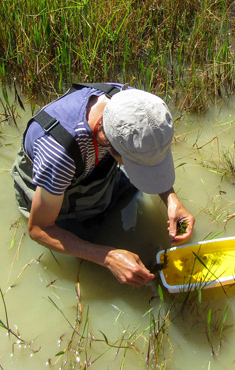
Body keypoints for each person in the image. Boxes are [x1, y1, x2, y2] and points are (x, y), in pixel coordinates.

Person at [11, 83, 194, 287]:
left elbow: (149, 154)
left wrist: (171, 199)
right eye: (134, 162)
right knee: (86, 243)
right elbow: (39, 229)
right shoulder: (59, 155)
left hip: (93, 171)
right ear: (106, 140)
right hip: (52, 190)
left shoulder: (136, 105)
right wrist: (106, 257)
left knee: (128, 195)